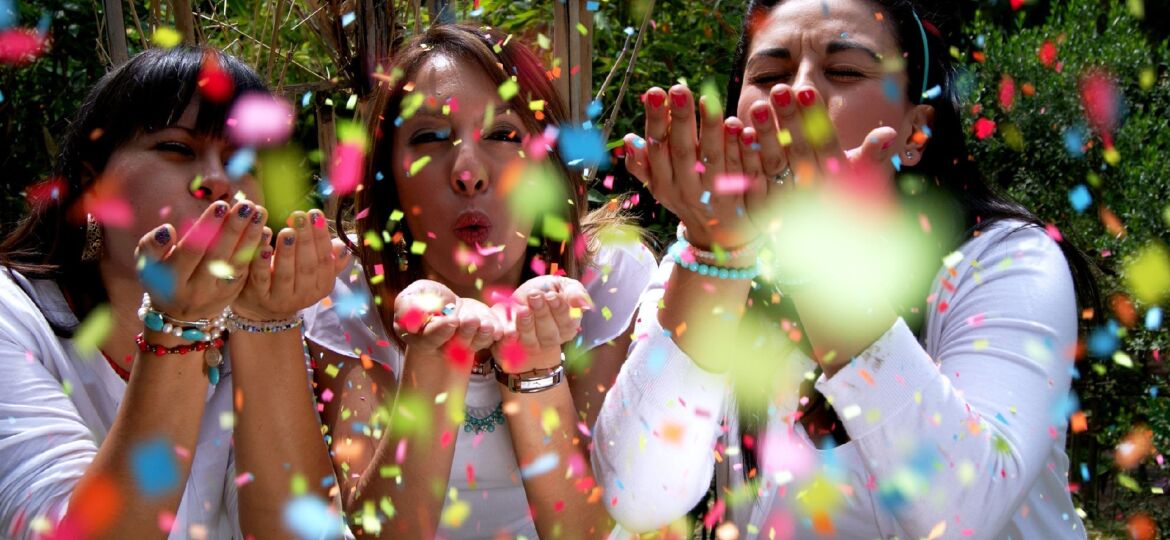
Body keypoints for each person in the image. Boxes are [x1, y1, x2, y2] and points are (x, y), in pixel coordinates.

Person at [593, 0, 1098, 538]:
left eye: (844, 71)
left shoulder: (1007, 262)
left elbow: (965, 512)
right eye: (768, 75)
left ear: (915, 130)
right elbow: (637, 497)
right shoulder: (698, 261)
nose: (795, 95)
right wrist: (717, 256)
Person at [301, 24, 657, 539]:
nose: (468, 171)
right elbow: (378, 529)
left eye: (503, 135)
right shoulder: (348, 295)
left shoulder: (604, 277)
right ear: (390, 177)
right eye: (430, 137)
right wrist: (432, 360)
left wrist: (532, 367)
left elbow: (586, 528)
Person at [0, 46, 346, 539]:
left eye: (240, 160)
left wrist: (267, 323)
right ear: (90, 182)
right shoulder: (13, 318)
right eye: (178, 149)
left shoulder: (251, 321)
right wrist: (179, 326)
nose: (218, 182)